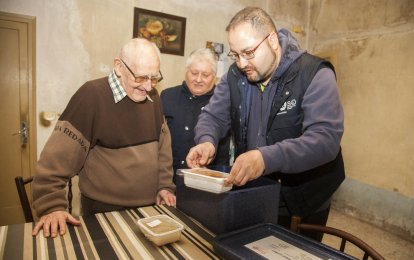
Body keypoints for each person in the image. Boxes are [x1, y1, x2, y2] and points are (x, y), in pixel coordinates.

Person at [186, 7, 345, 241]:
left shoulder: (314, 74)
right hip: (256, 191)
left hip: (303, 198)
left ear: (272, 40)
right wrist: (207, 141)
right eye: (235, 54)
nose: (241, 63)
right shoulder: (236, 75)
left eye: (248, 53)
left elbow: (325, 140)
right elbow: (213, 116)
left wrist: (264, 158)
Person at [32, 38, 176, 238]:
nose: (148, 86)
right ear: (118, 66)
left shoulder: (153, 97)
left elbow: (163, 149)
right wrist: (51, 206)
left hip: (150, 210)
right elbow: (54, 162)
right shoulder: (91, 96)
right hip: (103, 211)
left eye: (154, 78)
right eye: (141, 77)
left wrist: (165, 186)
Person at [161, 48, 230, 182]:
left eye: (205, 75)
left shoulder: (223, 102)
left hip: (209, 181)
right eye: (194, 73)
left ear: (214, 77)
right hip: (169, 179)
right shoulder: (167, 96)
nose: (198, 79)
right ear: (186, 72)